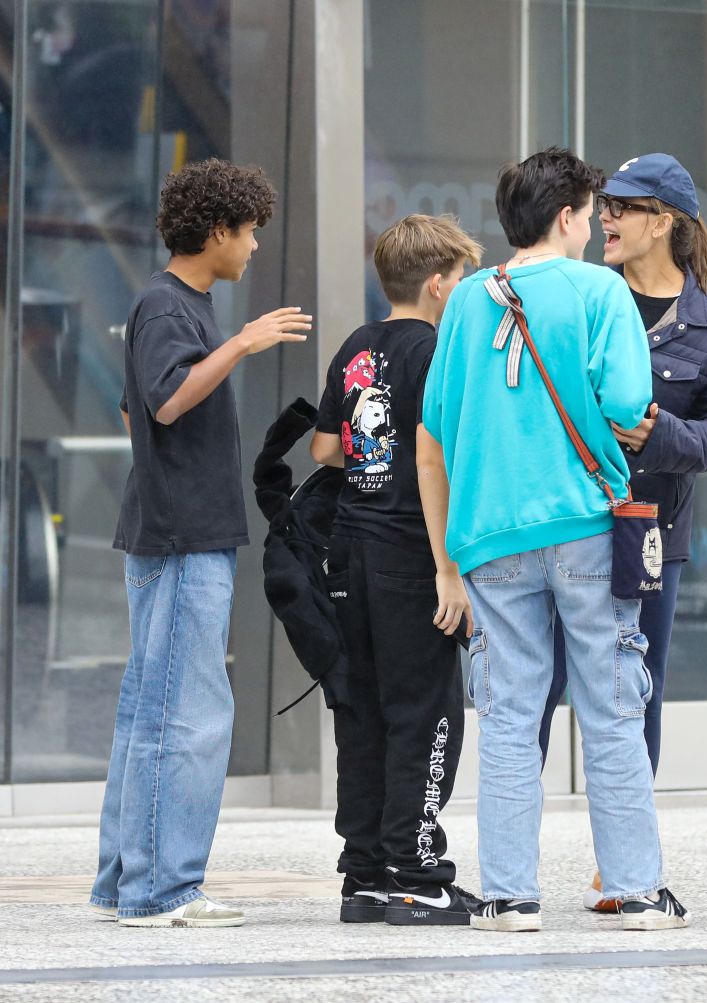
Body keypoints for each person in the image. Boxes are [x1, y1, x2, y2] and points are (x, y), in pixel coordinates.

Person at [422, 147, 689, 932]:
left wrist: (445, 556)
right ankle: (637, 888)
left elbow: (434, 430)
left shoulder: (470, 299)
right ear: (568, 215)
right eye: (590, 212)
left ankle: (509, 895)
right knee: (610, 704)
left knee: (507, 711)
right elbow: (627, 401)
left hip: (490, 536)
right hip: (585, 526)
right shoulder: (601, 289)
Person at [90, 159, 311, 927]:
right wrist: (245, 343)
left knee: (151, 709)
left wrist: (162, 474)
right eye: (249, 232)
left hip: (171, 525)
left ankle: (126, 882)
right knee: (187, 713)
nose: (252, 248)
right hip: (185, 536)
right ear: (217, 230)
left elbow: (134, 414)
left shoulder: (171, 305)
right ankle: (161, 889)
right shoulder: (169, 306)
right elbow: (167, 399)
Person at [537, 153, 707, 912]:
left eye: (622, 208)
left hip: (647, 534)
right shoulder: (585, 297)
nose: (606, 219)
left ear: (663, 221)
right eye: (605, 207)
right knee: (536, 689)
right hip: (559, 524)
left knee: (635, 692)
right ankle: (511, 860)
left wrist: (659, 434)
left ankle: (622, 861)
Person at [310, 214, 484, 926]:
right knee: (426, 712)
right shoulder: (435, 351)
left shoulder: (357, 347)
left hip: (350, 550)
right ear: (439, 284)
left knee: (365, 711)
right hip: (414, 554)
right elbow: (432, 453)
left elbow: (324, 447)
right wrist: (449, 567)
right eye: (462, 283)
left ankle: (367, 874)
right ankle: (417, 872)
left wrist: (369, 468)